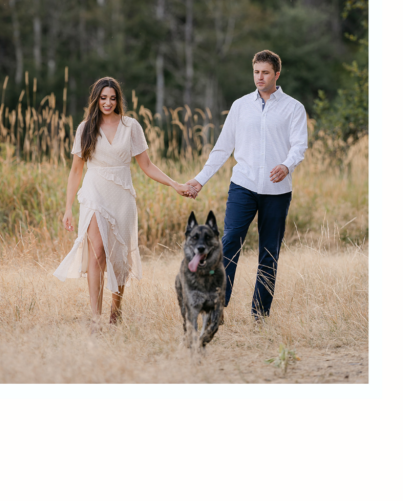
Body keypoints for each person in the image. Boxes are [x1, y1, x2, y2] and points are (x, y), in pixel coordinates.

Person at [54, 77, 192, 327]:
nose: (108, 102)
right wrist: (67, 209)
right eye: (103, 97)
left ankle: (115, 314)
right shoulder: (85, 128)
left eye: (112, 97)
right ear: (96, 99)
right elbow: (76, 171)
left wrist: (175, 184)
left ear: (118, 100)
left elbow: (147, 165)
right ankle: (95, 319)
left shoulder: (131, 127)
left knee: (118, 256)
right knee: (97, 251)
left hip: (122, 195)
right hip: (94, 191)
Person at [184, 50, 308, 320]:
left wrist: (286, 165)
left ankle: (259, 314)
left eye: (265, 72)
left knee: (269, 252)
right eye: (256, 72)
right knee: (229, 244)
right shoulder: (241, 106)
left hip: (277, 191)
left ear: (277, 74)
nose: (259, 77)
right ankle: (217, 304)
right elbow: (222, 147)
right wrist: (200, 179)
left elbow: (299, 145)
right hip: (243, 185)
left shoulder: (293, 108)